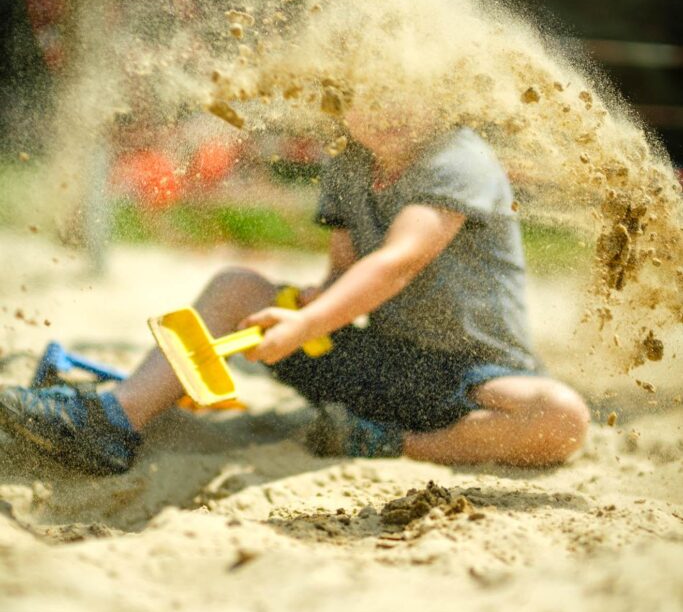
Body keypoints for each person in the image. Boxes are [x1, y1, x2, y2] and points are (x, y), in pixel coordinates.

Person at [0, 108, 590, 474]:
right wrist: (318, 300)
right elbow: (348, 265)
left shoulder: (460, 159)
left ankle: (388, 443)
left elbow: (399, 261)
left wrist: (308, 325)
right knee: (237, 286)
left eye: (408, 89)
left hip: (471, 380)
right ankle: (115, 420)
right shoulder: (349, 160)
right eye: (368, 90)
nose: (390, 108)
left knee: (561, 417)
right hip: (383, 366)